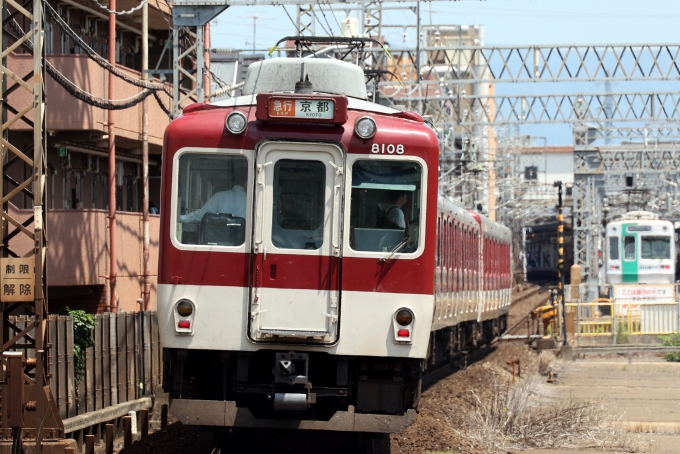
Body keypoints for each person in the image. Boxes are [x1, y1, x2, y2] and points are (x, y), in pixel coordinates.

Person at [180, 171, 247, 223]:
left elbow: (201, 215)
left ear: (232, 181)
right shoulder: (250, 201)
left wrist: (180, 218)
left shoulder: (219, 196)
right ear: (246, 183)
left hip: (219, 238)